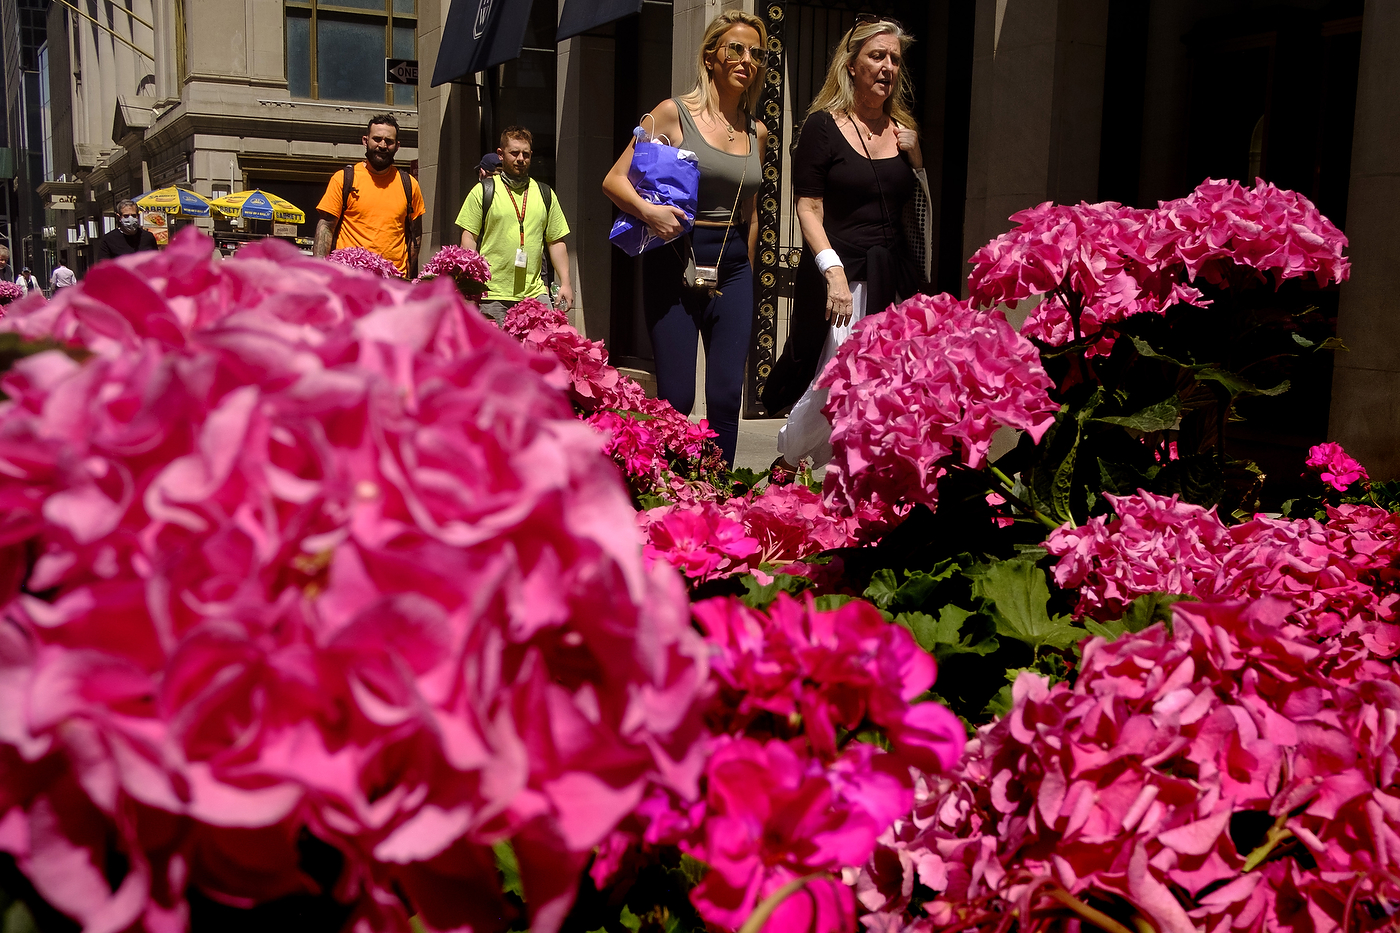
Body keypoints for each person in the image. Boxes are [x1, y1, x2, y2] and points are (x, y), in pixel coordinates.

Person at [602, 11, 768, 468]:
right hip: (674, 258)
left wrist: (745, 272)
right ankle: (672, 495)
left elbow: (750, 215)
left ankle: (719, 497)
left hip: (732, 268)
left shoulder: (758, 132)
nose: (746, 59)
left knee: (725, 395)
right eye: (735, 48)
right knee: (675, 396)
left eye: (756, 52)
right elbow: (614, 181)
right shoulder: (673, 113)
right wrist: (651, 213)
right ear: (712, 55)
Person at [765, 16, 925, 477]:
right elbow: (808, 209)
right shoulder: (822, 127)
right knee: (839, 379)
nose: (888, 66)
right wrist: (831, 270)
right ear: (851, 65)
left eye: (895, 58)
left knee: (885, 383)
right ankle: (791, 458)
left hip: (891, 278)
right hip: (843, 276)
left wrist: (916, 157)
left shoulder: (902, 130)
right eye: (877, 56)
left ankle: (857, 476)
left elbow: (916, 209)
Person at [457, 126, 575, 323]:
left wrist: (565, 282)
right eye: (514, 153)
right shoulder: (483, 191)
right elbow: (469, 237)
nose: (521, 158)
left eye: (526, 154)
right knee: (496, 353)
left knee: (541, 350)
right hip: (492, 293)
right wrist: (470, 284)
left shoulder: (545, 194)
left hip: (535, 293)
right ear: (501, 155)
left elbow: (556, 241)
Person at [314, 113, 425, 277]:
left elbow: (416, 236)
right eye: (377, 139)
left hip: (392, 283)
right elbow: (326, 228)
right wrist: (320, 275)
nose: (382, 145)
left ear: (397, 146)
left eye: (389, 141)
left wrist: (406, 278)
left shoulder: (409, 185)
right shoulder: (344, 179)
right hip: (350, 279)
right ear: (365, 141)